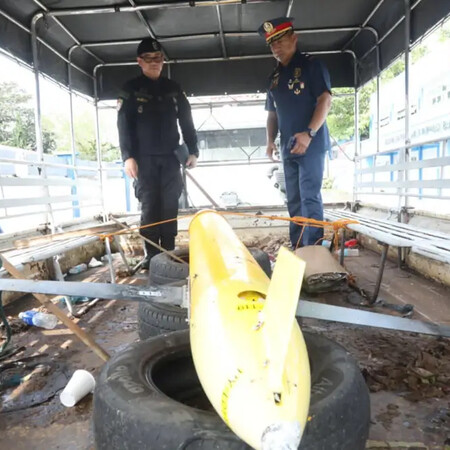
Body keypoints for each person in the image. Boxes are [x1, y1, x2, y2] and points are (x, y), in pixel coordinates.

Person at [117, 37, 199, 268]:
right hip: (143, 160)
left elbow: (186, 121)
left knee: (169, 206)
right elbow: (123, 125)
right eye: (149, 59)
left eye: (158, 58)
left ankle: (169, 255)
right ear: (139, 61)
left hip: (171, 158)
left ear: (163, 60)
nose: (154, 62)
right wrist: (128, 157)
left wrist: (193, 150)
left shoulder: (173, 88)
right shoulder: (131, 89)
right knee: (149, 206)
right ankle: (152, 257)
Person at [258, 17, 332, 248]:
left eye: (280, 40)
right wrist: (270, 141)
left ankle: (314, 250)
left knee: (310, 197)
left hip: (312, 143)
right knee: (294, 200)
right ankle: (299, 247)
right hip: (288, 146)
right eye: (272, 43)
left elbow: (325, 100)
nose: (276, 47)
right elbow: (272, 113)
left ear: (294, 38)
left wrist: (309, 133)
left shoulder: (312, 66)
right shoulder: (274, 77)